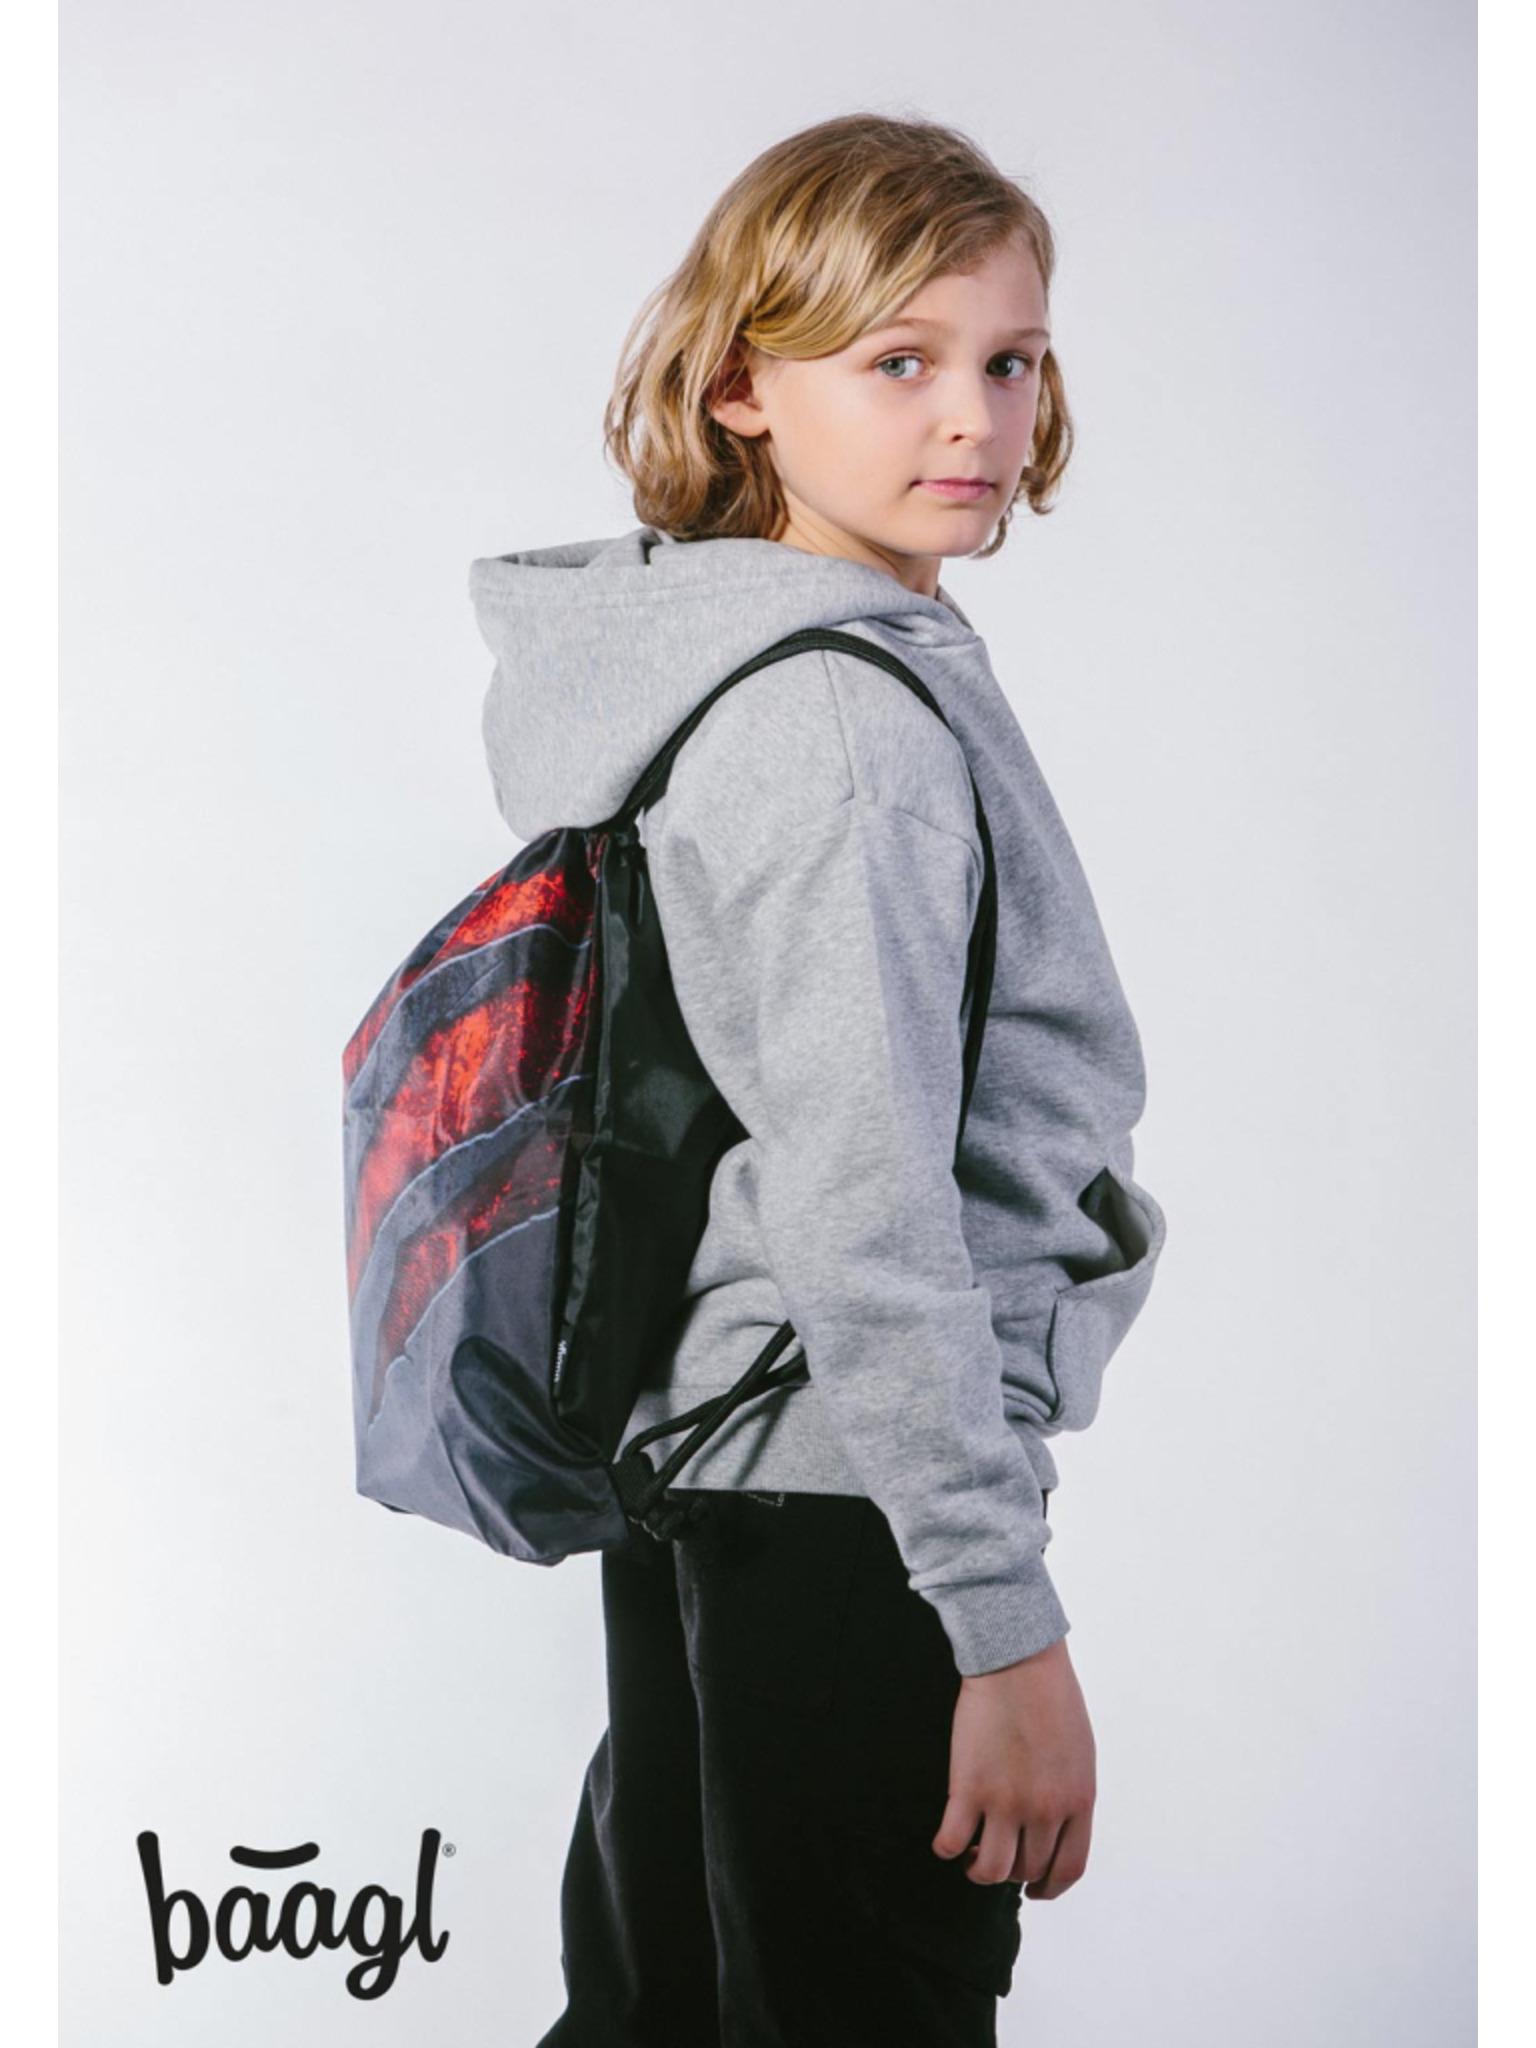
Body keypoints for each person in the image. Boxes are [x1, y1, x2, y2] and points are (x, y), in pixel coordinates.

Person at [470, 110, 1167, 2048]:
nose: (975, 421)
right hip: (850, 1493)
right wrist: (1001, 1623)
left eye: (1010, 361)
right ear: (742, 388)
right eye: (899, 361)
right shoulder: (842, 727)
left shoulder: (770, 668)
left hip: (728, 1462)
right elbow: (865, 1199)